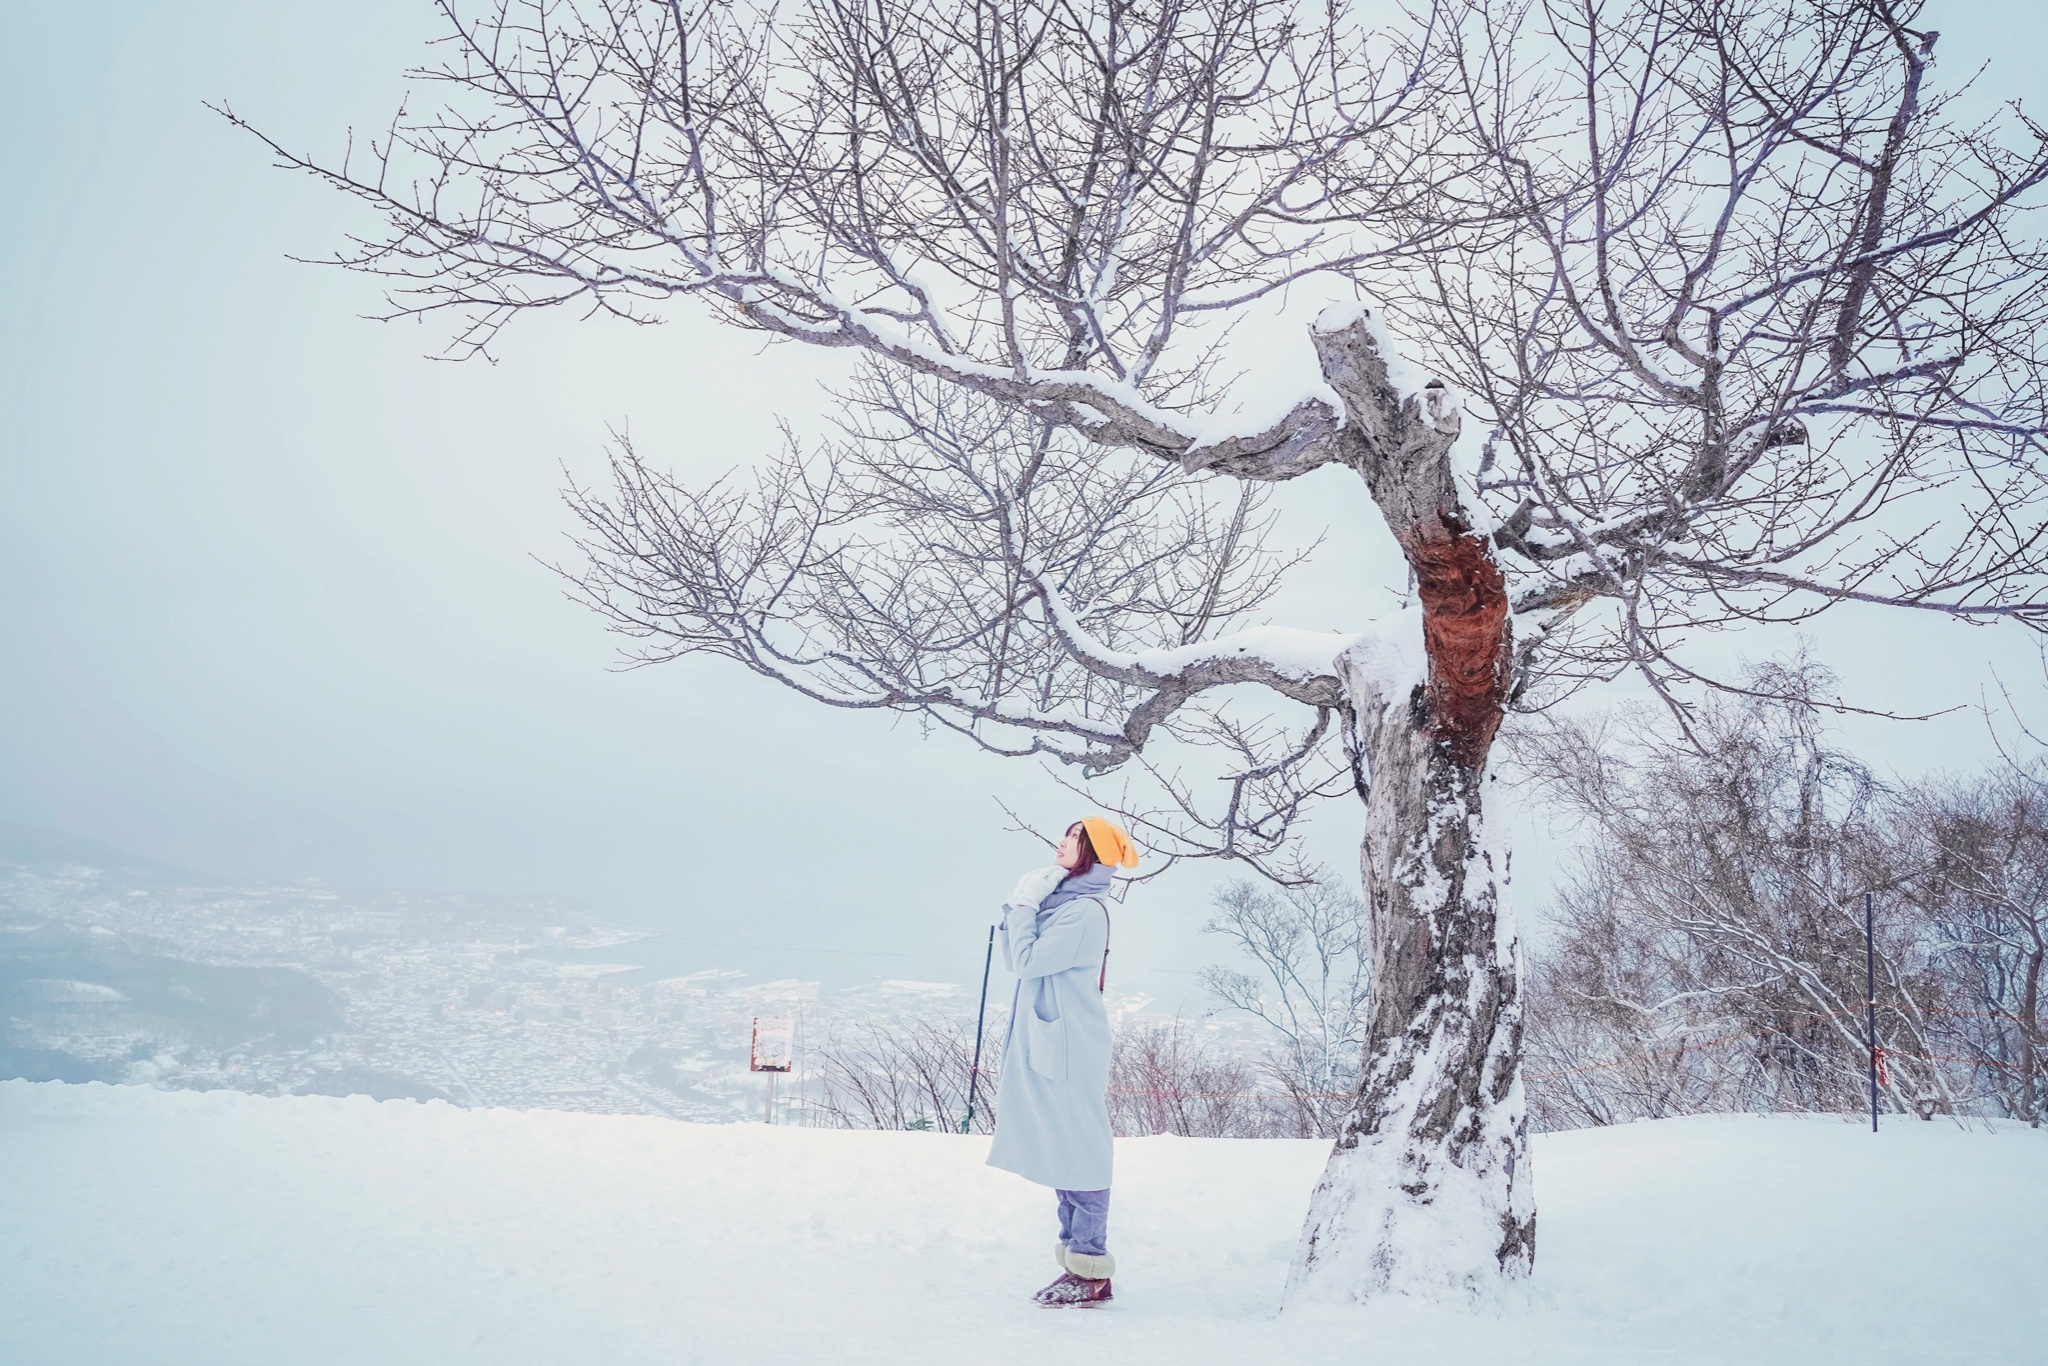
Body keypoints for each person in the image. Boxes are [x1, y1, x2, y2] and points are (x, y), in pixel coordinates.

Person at [985, 816, 1140, 1307]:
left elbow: (1028, 962)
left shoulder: (1085, 912)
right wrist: (1025, 905)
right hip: (1051, 1041)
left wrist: (1026, 904)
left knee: (1081, 1150)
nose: (1062, 841)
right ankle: (1077, 1265)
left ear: (1092, 852)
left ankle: (1091, 1266)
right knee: (1060, 1147)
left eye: (1074, 837)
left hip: (1071, 1045)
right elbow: (1016, 957)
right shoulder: (1063, 903)